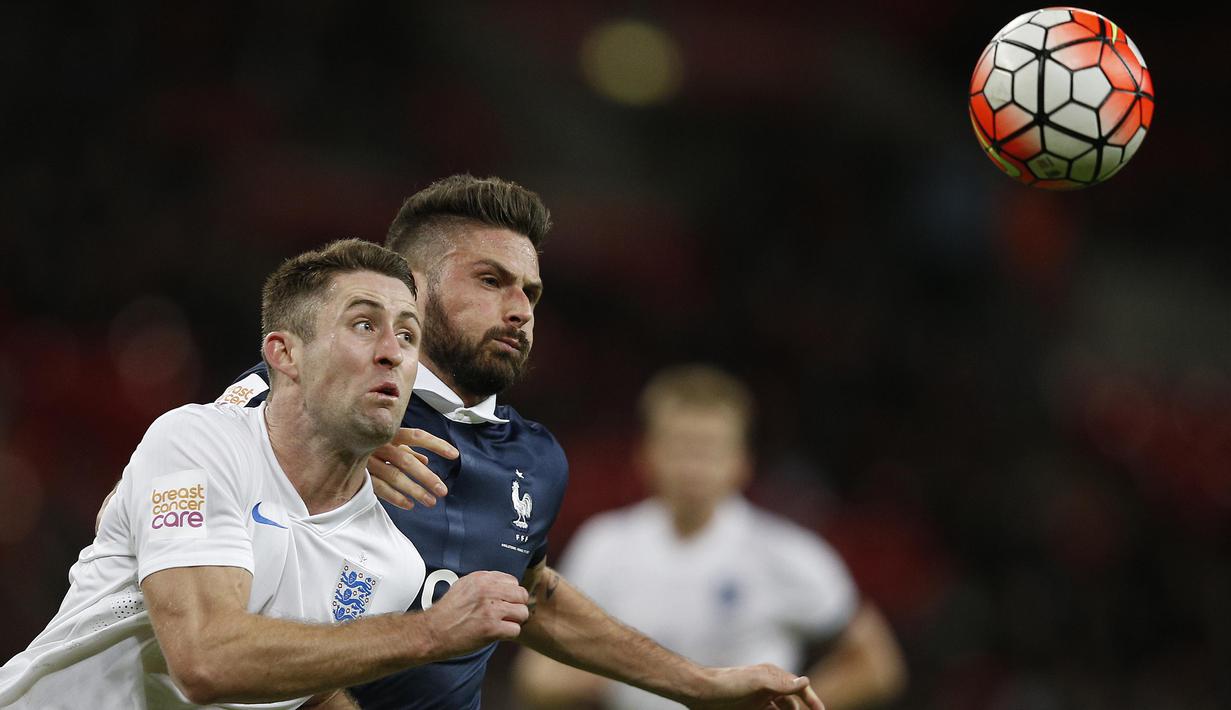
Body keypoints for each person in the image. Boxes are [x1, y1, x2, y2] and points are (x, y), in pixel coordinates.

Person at [222, 175, 825, 710]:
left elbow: (532, 594)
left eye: (530, 293)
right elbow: (155, 514)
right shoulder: (299, 394)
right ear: (411, 289)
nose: (518, 311)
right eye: (491, 281)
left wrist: (700, 685)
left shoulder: (532, 460)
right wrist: (303, 447)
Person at [0, 240, 532, 709]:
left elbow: (303, 685)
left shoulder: (393, 565)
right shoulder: (197, 441)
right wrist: (430, 633)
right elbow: (205, 661)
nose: (392, 352)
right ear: (285, 354)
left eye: (408, 335)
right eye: (364, 325)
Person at [514, 364, 908, 710]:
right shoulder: (605, 545)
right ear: (647, 454)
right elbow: (537, 677)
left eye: (710, 450)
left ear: (742, 461)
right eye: (681, 447)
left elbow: (876, 664)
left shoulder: (788, 554)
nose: (694, 467)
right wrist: (615, 673)